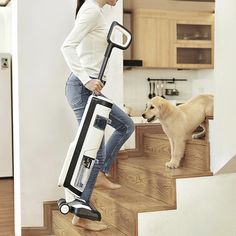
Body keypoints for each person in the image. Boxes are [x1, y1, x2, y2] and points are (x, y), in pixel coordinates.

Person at [61, 0, 134, 231]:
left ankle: (101, 172)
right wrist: (87, 79)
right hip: (82, 88)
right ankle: (81, 213)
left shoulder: (97, 12)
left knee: (125, 125)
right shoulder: (92, 9)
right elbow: (67, 46)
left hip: (87, 88)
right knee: (91, 149)